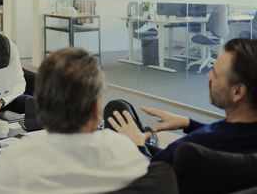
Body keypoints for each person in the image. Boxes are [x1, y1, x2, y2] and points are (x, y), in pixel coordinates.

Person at [0, 47, 150, 194]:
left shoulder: (17, 164)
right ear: (97, 109)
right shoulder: (129, 155)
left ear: (39, 106)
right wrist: (140, 144)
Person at [107, 38, 257, 165]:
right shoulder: (244, 135)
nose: (208, 76)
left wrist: (137, 145)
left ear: (238, 92)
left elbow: (151, 177)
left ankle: (143, 141)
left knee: (116, 109)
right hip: (169, 162)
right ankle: (146, 140)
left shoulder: (196, 145)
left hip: (152, 168)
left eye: (216, 74)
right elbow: (229, 134)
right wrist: (188, 123)